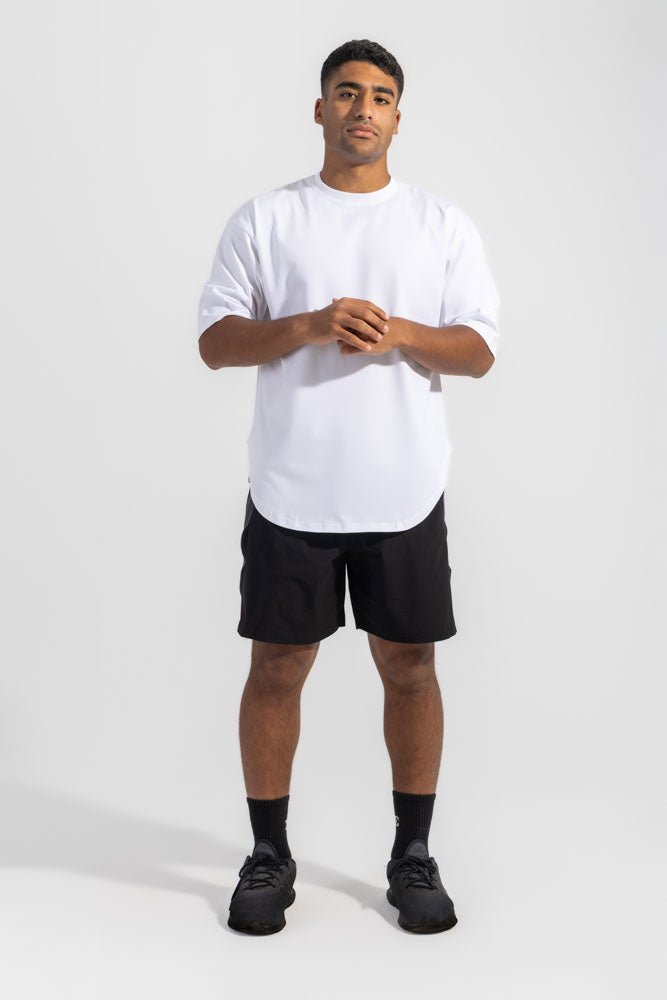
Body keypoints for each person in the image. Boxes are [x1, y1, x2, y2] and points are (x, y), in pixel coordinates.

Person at [197, 38, 501, 935]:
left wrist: (401, 330)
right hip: (291, 488)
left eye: (378, 96)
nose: (361, 108)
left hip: (403, 487)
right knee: (276, 668)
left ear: (398, 117)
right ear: (320, 108)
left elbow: (479, 350)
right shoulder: (267, 219)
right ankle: (268, 855)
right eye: (345, 92)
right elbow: (215, 341)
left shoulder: (440, 224)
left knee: (410, 668)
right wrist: (306, 325)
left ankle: (413, 854)